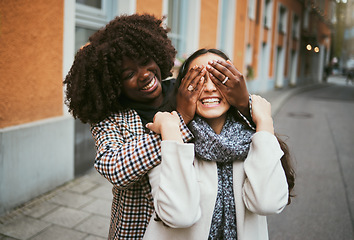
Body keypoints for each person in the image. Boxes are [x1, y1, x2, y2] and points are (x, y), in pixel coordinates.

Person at [64, 14, 251, 239]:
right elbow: (113, 168)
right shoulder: (111, 119)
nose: (144, 74)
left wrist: (244, 105)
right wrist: (179, 120)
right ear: (113, 84)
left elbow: (228, 128)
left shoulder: (184, 91)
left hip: (193, 225)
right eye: (129, 74)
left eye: (145, 62)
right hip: (138, 229)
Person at [143, 48, 295, 240]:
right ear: (183, 89)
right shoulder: (167, 136)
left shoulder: (256, 140)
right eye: (198, 79)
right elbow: (179, 215)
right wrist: (173, 130)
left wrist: (265, 122)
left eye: (218, 78)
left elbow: (268, 203)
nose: (209, 88)